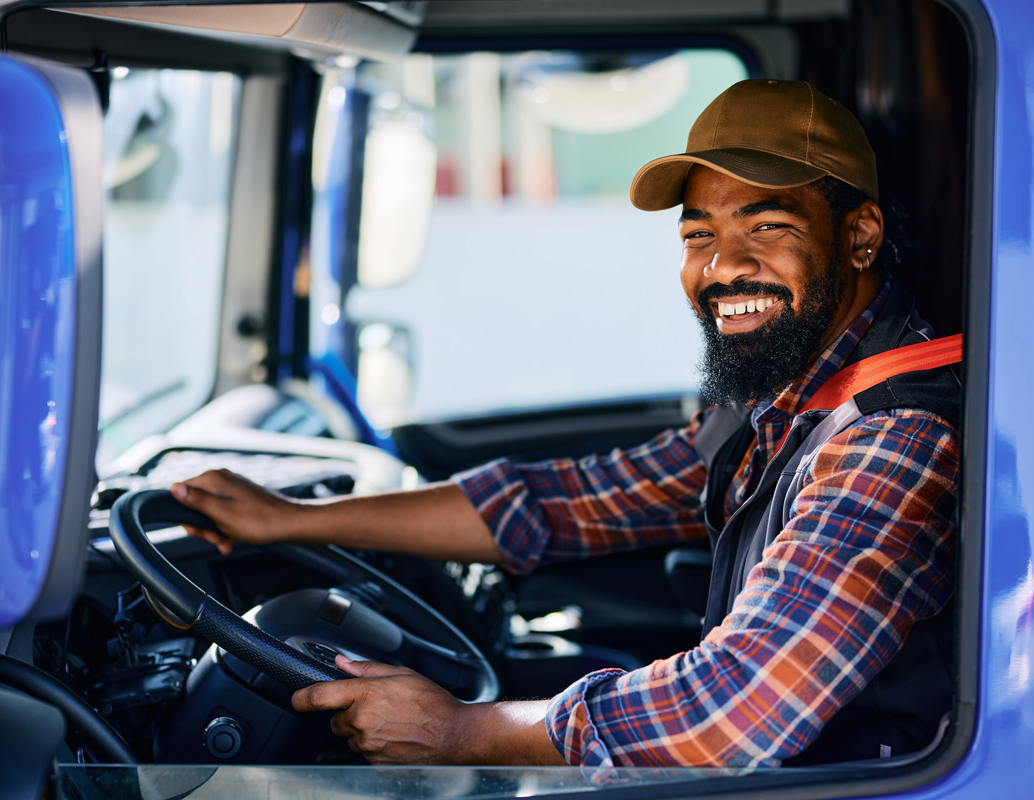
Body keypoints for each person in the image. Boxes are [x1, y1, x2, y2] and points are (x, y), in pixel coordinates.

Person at [170, 79, 961, 769]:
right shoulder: (788, 398)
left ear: (859, 237)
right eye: (699, 235)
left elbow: (733, 712)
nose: (723, 267)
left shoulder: (893, 438)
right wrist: (296, 520)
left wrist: (458, 732)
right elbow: (568, 502)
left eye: (767, 227)